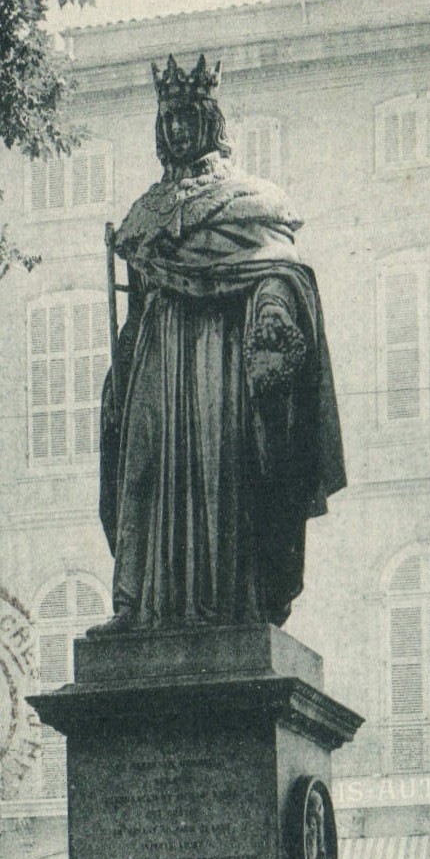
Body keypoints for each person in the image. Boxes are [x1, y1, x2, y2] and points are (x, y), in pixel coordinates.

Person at [92, 53, 345, 634]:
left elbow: (281, 271)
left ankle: (240, 601)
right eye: (170, 118)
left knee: (220, 472)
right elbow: (136, 311)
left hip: (218, 357)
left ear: (210, 121)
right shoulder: (145, 214)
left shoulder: (249, 201)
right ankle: (136, 604)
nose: (178, 128)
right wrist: (119, 377)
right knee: (143, 471)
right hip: (159, 355)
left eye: (189, 116)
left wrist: (273, 316)